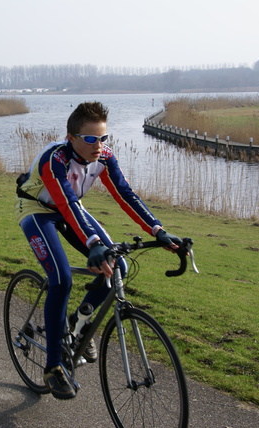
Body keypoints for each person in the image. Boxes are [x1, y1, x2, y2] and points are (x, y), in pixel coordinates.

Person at [15, 101, 182, 399]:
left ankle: (77, 321)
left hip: (72, 209)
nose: (99, 146)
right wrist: (93, 244)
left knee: (118, 266)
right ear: (72, 137)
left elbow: (125, 195)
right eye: (91, 139)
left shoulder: (103, 157)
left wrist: (158, 229)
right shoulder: (55, 160)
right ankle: (53, 367)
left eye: (103, 138)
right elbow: (65, 201)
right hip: (37, 210)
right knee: (61, 278)